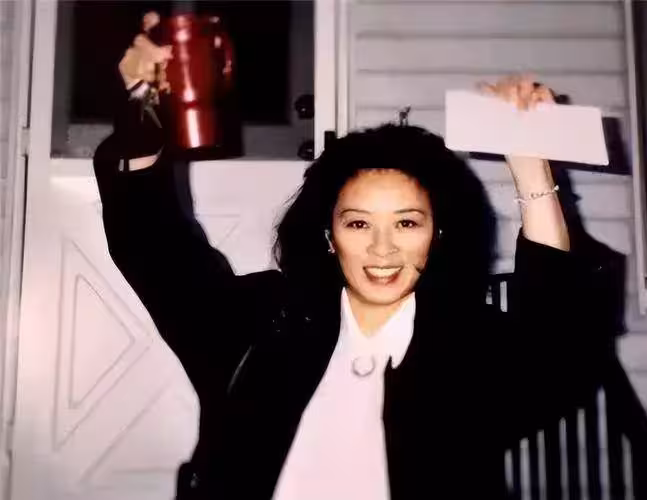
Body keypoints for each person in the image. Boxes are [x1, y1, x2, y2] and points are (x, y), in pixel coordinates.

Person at [94, 14, 616, 500]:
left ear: (437, 235)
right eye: (359, 223)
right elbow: (154, 249)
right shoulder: (262, 324)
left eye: (406, 223)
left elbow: (558, 350)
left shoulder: (469, 346)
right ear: (329, 234)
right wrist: (142, 105)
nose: (382, 248)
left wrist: (531, 164)